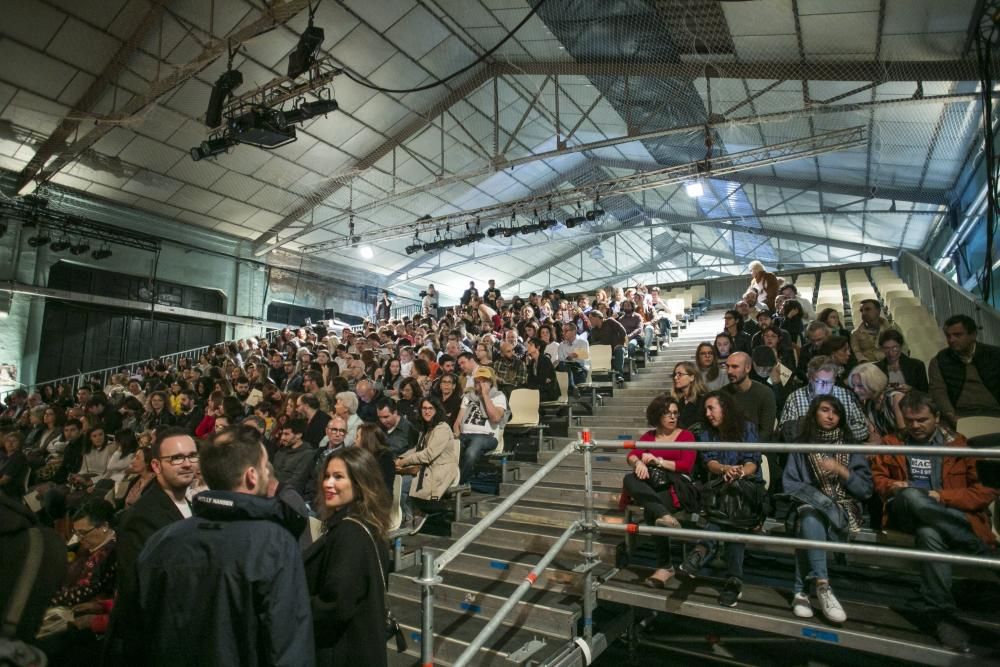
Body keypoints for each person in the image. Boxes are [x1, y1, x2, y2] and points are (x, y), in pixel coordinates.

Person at [136, 428, 315, 666]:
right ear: (252, 475)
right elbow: (288, 646)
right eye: (265, 467)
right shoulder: (274, 544)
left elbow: (136, 631)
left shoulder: (161, 540)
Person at [870, 391, 997, 652]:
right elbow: (880, 482)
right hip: (905, 510)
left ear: (937, 418)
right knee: (913, 498)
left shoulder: (959, 445)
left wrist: (942, 496)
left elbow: (984, 491)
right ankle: (977, 549)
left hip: (946, 512)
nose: (915, 426)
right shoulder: (892, 443)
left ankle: (942, 616)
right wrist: (895, 486)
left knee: (929, 533)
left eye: (922, 420)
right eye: (910, 420)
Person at [107, 428, 197, 665]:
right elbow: (135, 590)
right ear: (156, 466)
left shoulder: (194, 506)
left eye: (192, 456)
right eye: (176, 458)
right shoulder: (141, 517)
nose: (187, 464)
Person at [783, 395, 872, 624]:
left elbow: (865, 490)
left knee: (808, 521)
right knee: (809, 516)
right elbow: (790, 484)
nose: (831, 416)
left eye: (836, 412)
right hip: (809, 507)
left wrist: (842, 471)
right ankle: (823, 586)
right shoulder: (801, 446)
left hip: (842, 511)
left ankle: (800, 591)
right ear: (814, 414)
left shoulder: (851, 447)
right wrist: (817, 499)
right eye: (824, 410)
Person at [305, 447, 390, 667]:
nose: (327, 484)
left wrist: (291, 605)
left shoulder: (350, 532)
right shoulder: (366, 524)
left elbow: (336, 604)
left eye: (338, 477)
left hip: (344, 653)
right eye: (326, 476)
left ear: (360, 482)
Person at [678, 391, 762, 608]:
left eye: (711, 408)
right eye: (705, 409)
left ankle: (702, 549)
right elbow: (709, 462)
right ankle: (734, 580)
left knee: (733, 509)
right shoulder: (706, 431)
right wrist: (725, 469)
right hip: (720, 487)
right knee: (728, 510)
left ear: (724, 407)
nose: (707, 414)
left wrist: (738, 473)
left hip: (745, 487)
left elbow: (753, 462)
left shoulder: (747, 427)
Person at [621, 395, 697, 588]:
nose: (672, 417)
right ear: (657, 415)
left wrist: (658, 461)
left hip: (676, 484)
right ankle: (665, 516)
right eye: (667, 413)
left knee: (653, 509)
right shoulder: (649, 436)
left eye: (675, 413)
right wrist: (639, 463)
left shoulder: (686, 436)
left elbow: (686, 465)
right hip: (653, 484)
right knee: (630, 478)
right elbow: (632, 455)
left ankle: (664, 566)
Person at [396, 396, 460, 534]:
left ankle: (416, 512)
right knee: (397, 481)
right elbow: (417, 449)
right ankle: (410, 514)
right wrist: (400, 458)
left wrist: (404, 462)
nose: (427, 411)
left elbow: (428, 454)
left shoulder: (442, 428)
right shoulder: (427, 427)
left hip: (441, 469)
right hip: (427, 467)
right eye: (424, 408)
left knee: (401, 485)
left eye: (431, 408)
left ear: (437, 410)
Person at [927, 314, 1000, 426]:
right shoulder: (940, 361)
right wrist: (951, 415)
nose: (951, 340)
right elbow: (938, 392)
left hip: (995, 413)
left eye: (957, 335)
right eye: (948, 336)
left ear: (973, 335)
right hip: (960, 415)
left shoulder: (995, 356)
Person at [780, 356, 870, 443]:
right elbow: (786, 431)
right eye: (820, 382)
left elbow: (863, 428)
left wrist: (835, 435)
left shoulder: (847, 396)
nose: (824, 387)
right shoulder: (795, 398)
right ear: (810, 378)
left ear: (834, 379)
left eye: (829, 382)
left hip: (841, 450)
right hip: (807, 451)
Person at [455, 367, 508, 483]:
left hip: (487, 436)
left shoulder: (498, 396)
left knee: (472, 450)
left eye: (484, 381)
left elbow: (496, 418)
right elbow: (458, 422)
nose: (481, 384)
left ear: (491, 382)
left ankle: (459, 483)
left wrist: (485, 396)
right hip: (465, 435)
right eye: (478, 381)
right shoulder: (468, 397)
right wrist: (456, 438)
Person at [722, 351, 776, 441]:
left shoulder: (765, 393)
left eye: (734, 367)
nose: (729, 371)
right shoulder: (723, 394)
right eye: (727, 367)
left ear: (747, 368)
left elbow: (766, 432)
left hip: (757, 448)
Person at [847, 362, 905, 437]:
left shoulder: (895, 398)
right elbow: (874, 434)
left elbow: (904, 432)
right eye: (854, 386)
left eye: (860, 386)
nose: (855, 390)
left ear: (873, 383)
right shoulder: (869, 404)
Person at [273, 419, 315, 496]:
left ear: (299, 435)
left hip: (288, 496)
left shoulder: (308, 454)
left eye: (286, 434)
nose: (282, 438)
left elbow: (297, 481)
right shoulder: (280, 451)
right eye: (282, 434)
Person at [354, 422, 395, 494]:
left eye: (357, 437)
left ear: (366, 439)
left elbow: (382, 488)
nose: (354, 441)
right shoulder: (360, 457)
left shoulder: (385, 458)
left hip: (377, 501)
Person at [588, 310, 627, 382]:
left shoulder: (610, 321)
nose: (589, 320)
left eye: (591, 318)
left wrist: (621, 343)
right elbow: (593, 343)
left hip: (615, 347)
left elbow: (623, 331)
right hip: (604, 351)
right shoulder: (593, 330)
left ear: (597, 317)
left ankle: (619, 375)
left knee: (619, 350)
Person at [670, 361, 708, 431]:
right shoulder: (678, 402)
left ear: (692, 377)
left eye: (680, 374)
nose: (675, 378)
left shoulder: (704, 400)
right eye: (675, 374)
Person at [525, 337, 560, 401]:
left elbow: (542, 379)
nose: (528, 347)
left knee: (528, 396)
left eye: (531, 345)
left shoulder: (545, 360)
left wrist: (538, 380)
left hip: (548, 392)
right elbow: (530, 379)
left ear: (538, 347)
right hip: (538, 389)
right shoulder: (532, 361)